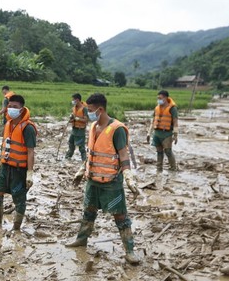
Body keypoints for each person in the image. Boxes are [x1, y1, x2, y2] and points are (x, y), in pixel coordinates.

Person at [66, 93, 141, 265]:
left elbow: (123, 154)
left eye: (90, 110)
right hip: (93, 180)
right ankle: (81, 239)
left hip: (111, 182)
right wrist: (81, 170)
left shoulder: (117, 129)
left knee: (120, 216)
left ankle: (130, 251)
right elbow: (92, 151)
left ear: (100, 109)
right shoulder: (93, 127)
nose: (88, 113)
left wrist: (128, 176)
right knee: (88, 211)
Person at [0, 94, 37, 231]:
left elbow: (30, 152)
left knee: (19, 199)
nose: (11, 109)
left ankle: (16, 228)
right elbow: (6, 146)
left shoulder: (27, 128)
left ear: (21, 109)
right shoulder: (8, 124)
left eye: (15, 107)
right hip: (6, 167)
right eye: (9, 106)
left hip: (19, 170)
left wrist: (29, 172)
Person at [151, 90, 178, 172]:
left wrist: (175, 135)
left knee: (168, 151)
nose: (158, 99)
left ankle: (173, 168)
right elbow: (153, 120)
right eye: (158, 98)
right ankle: (159, 169)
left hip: (167, 133)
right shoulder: (157, 108)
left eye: (160, 98)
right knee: (159, 151)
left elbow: (175, 122)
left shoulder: (172, 108)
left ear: (166, 98)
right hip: (157, 133)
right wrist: (149, 133)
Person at [66, 93, 88, 161]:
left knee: (81, 147)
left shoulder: (84, 109)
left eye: (73, 100)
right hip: (74, 129)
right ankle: (68, 157)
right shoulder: (74, 108)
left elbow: (86, 120)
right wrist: (71, 119)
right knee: (71, 143)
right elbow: (72, 118)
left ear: (77, 100)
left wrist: (77, 119)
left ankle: (84, 160)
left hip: (80, 130)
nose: (72, 101)